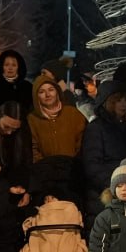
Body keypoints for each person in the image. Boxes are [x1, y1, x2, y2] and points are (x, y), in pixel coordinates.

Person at [79, 82, 126, 227]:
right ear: (107, 102)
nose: (123, 104)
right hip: (103, 193)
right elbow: (92, 165)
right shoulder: (96, 127)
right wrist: (116, 185)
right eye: (118, 100)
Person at [27, 73, 88, 201]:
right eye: (42, 92)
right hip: (45, 176)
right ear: (36, 96)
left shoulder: (72, 114)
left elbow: (83, 140)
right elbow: (32, 147)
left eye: (51, 90)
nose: (47, 94)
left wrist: (74, 163)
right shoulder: (32, 120)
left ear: (57, 92)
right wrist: (44, 167)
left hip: (72, 174)